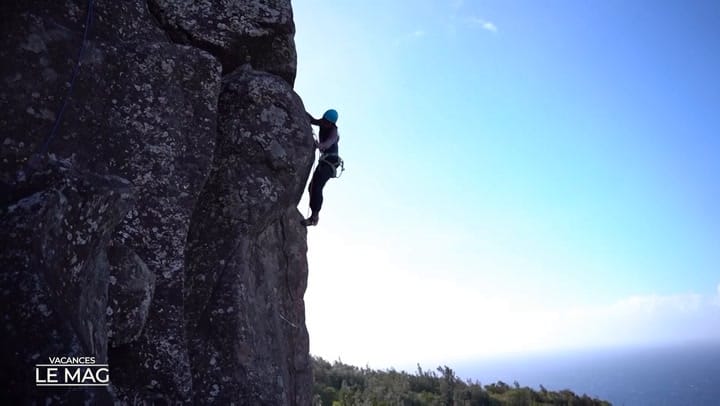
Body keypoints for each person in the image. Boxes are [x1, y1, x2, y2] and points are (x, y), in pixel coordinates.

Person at [302, 109, 341, 227]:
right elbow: (313, 120)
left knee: (317, 186)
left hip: (330, 162)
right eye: (324, 120)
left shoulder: (333, 131)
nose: (324, 123)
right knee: (312, 187)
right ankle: (314, 215)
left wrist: (319, 145)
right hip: (325, 161)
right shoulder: (323, 123)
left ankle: (314, 217)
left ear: (331, 123)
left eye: (327, 122)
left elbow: (329, 143)